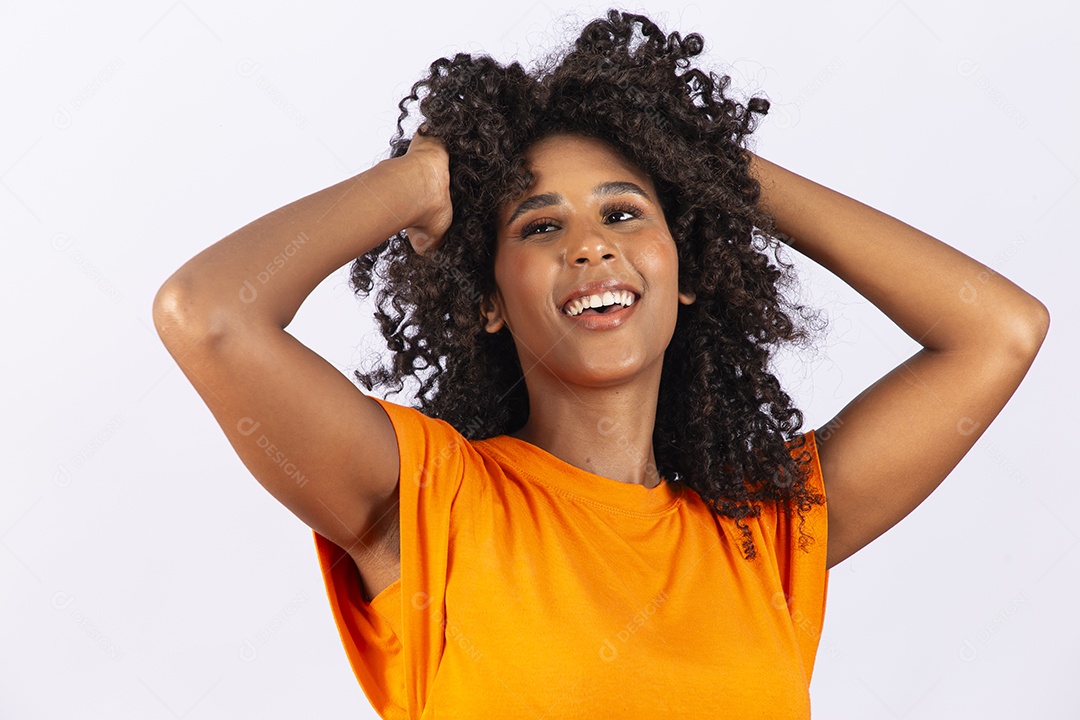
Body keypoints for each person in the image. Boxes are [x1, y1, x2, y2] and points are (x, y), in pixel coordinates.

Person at [151, 9, 1049, 719]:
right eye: (541, 226)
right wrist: (424, 184)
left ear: (686, 267)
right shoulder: (429, 500)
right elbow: (209, 315)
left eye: (624, 214)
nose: (591, 247)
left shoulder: (761, 530)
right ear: (488, 300)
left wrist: (715, 173)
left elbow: (1001, 330)